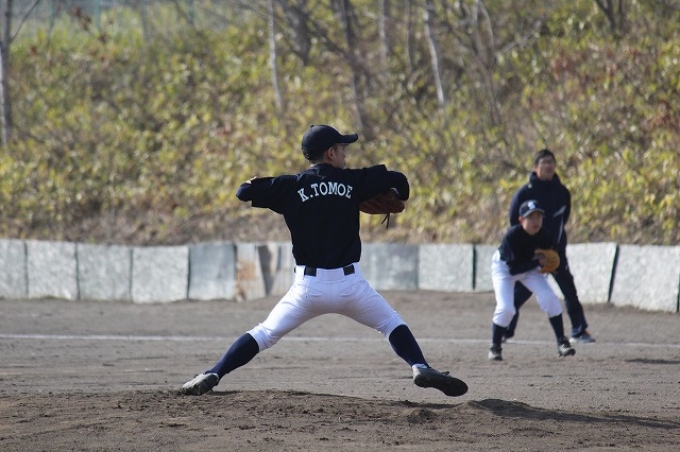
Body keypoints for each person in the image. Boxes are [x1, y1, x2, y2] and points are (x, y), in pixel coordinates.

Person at [180, 124, 468, 397]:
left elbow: (244, 193)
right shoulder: (353, 181)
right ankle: (419, 366)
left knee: (264, 333)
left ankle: (213, 373)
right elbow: (399, 180)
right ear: (330, 153)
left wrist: (253, 183)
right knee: (390, 323)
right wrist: (396, 195)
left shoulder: (290, 186)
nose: (345, 154)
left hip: (308, 289)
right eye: (342, 149)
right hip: (351, 286)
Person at [503, 149, 595, 345]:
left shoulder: (562, 192)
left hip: (555, 251)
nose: (548, 165)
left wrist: (552, 246)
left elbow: (563, 219)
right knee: (520, 292)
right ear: (536, 167)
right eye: (544, 162)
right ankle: (505, 329)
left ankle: (579, 330)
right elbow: (514, 221)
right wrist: (527, 249)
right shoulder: (525, 192)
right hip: (530, 252)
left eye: (551, 162)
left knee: (569, 289)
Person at [488, 199, 576, 361]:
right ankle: (495, 347)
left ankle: (562, 342)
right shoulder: (513, 236)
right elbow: (514, 269)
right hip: (504, 268)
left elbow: (553, 256)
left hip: (530, 269)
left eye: (538, 217)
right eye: (531, 217)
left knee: (550, 299)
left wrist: (552, 266)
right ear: (521, 220)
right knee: (506, 308)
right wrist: (538, 263)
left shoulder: (544, 236)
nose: (536, 221)